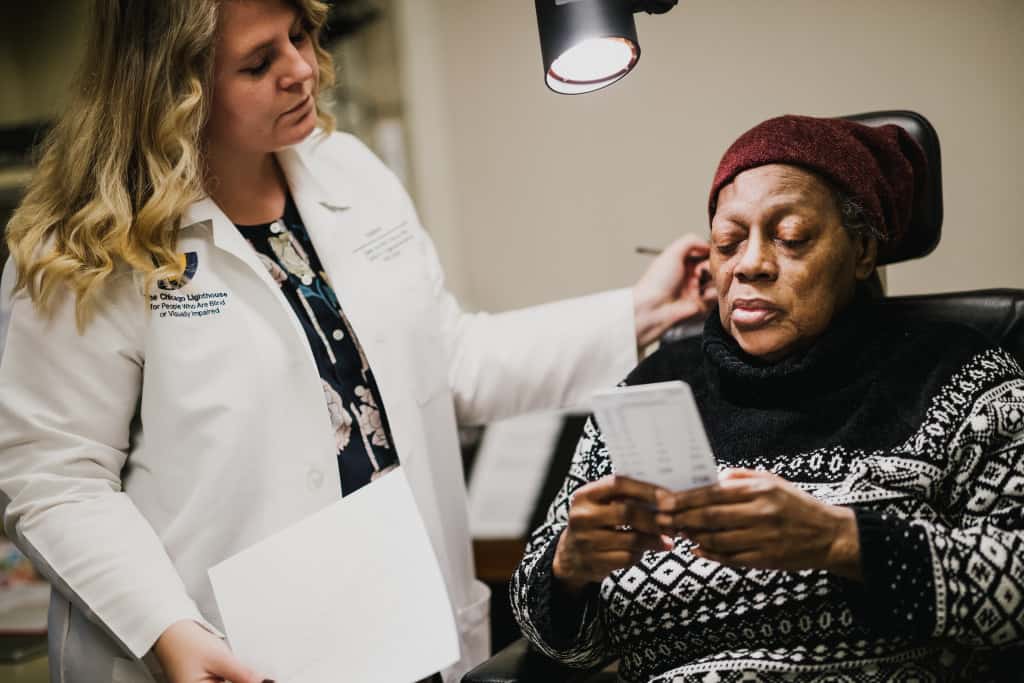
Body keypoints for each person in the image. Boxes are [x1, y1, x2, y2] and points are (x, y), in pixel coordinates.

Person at [0, 1, 715, 682]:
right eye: (257, 63)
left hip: (405, 637)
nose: (301, 69)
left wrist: (641, 309)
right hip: (223, 650)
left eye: (300, 36)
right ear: (172, 86)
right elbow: (55, 478)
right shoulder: (95, 240)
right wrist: (164, 628)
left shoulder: (351, 174)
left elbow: (452, 361)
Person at [511, 114, 1024, 682]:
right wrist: (566, 572)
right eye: (728, 242)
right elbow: (558, 643)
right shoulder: (654, 386)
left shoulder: (960, 378)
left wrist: (842, 542)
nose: (750, 264)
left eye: (791, 238)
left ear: (860, 252)